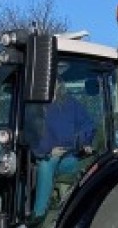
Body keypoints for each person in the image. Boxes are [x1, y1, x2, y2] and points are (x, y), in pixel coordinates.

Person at [26, 87, 96, 219]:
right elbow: (29, 136)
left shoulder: (70, 105)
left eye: (54, 81)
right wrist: (47, 151)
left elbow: (88, 125)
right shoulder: (32, 108)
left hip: (69, 157)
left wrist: (84, 141)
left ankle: (38, 216)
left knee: (46, 165)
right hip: (37, 156)